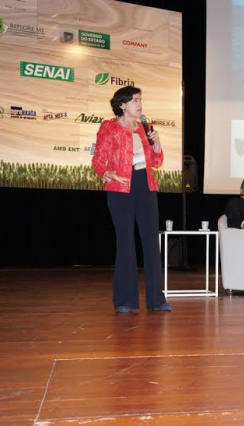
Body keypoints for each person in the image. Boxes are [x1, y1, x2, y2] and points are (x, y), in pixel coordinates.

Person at [92, 86, 171, 312]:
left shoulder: (144, 128)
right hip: (120, 187)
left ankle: (157, 299)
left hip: (145, 185)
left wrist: (157, 144)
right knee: (125, 243)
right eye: (135, 100)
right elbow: (98, 161)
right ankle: (125, 300)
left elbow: (156, 162)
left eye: (140, 100)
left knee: (150, 243)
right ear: (122, 105)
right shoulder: (109, 128)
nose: (140, 104)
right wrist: (107, 174)